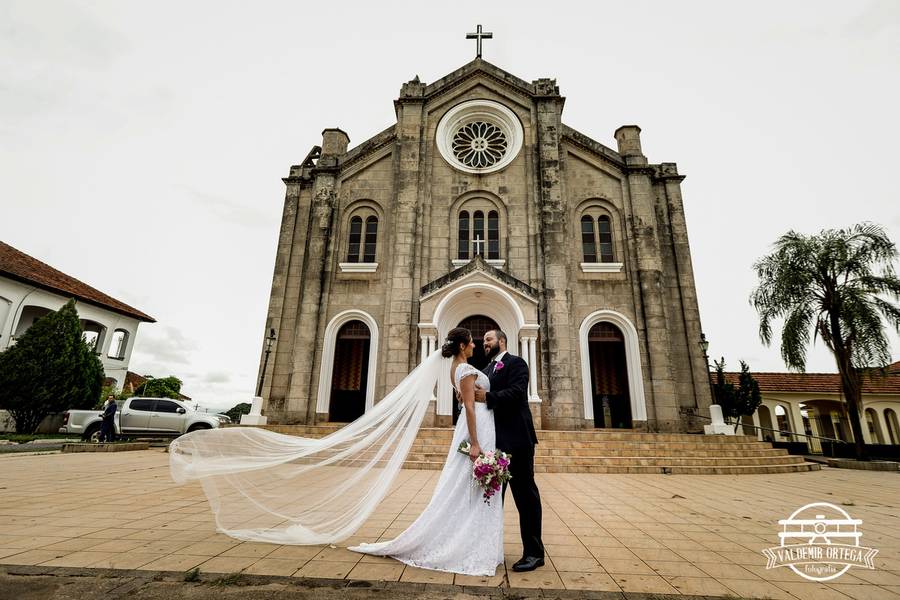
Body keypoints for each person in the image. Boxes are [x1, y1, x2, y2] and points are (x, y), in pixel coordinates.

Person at [348, 327, 504, 576]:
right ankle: (461, 542)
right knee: (466, 486)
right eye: (471, 343)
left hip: (483, 428)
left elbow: (466, 401)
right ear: (463, 346)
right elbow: (471, 408)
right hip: (476, 431)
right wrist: (475, 443)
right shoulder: (463, 369)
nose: (475, 346)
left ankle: (473, 539)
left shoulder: (460, 368)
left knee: (470, 487)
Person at [474, 329, 544, 572]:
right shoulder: (485, 371)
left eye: (488, 339)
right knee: (493, 499)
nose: (484, 344)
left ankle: (534, 553)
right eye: (483, 341)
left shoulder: (516, 363)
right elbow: (478, 397)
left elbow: (516, 393)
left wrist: (487, 397)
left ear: (501, 341)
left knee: (525, 497)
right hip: (495, 444)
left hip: (518, 440)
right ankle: (490, 548)